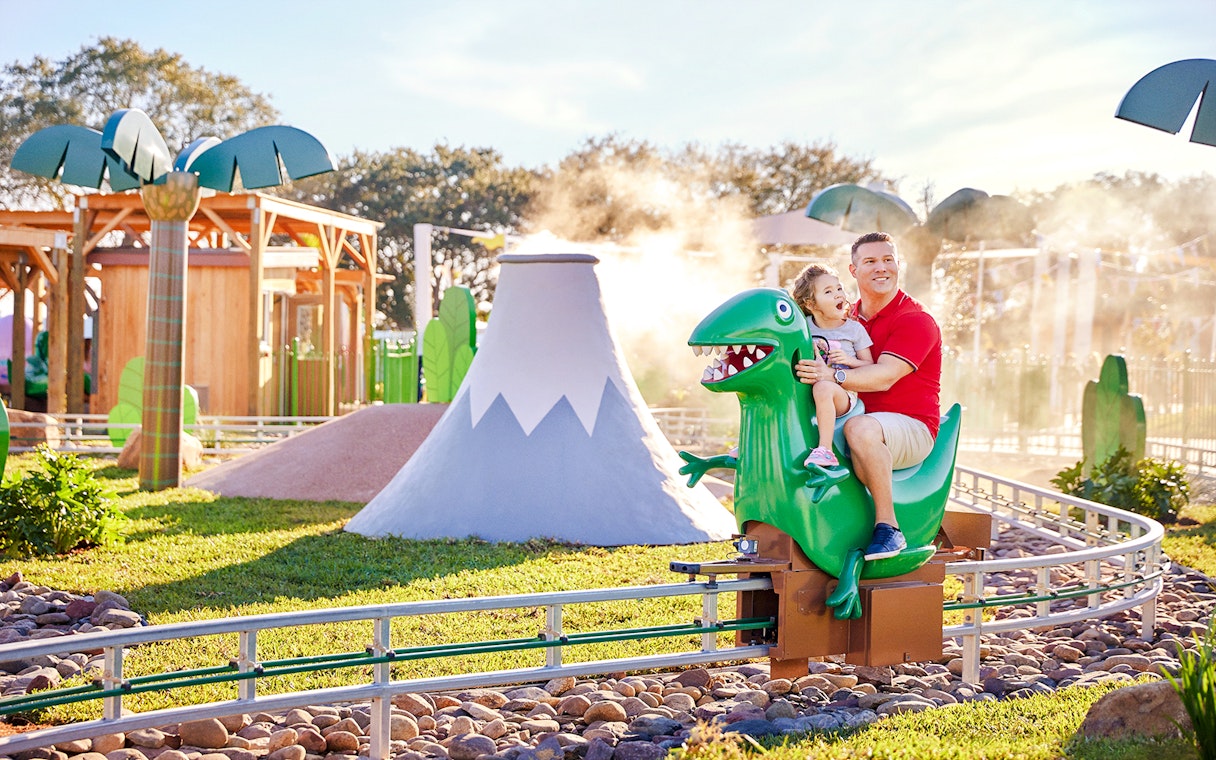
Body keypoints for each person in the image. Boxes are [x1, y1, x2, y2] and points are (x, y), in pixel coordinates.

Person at [794, 232, 942, 561]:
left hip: (910, 425)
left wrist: (832, 376)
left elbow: (884, 377)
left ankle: (889, 528)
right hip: (854, 413)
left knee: (858, 429)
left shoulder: (915, 320)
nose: (881, 268)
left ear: (898, 265)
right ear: (854, 270)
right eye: (871, 261)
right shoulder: (844, 318)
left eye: (888, 260)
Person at [789, 264, 873, 468]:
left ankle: (825, 450)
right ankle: (757, 443)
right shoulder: (803, 327)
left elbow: (870, 366)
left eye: (839, 288)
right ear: (811, 304)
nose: (838, 294)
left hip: (842, 395)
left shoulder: (854, 330)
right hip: (808, 391)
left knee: (823, 387)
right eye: (828, 292)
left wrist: (849, 360)